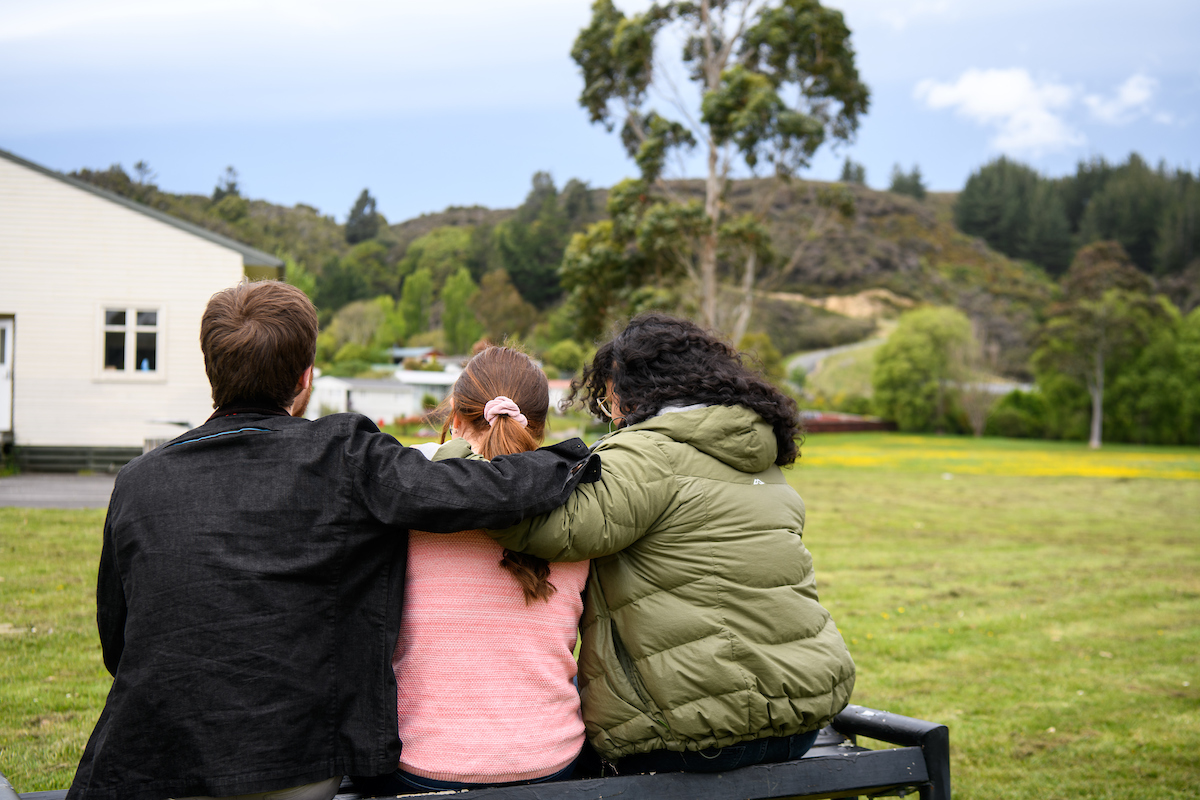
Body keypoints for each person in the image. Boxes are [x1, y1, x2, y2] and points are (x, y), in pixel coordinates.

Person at [67, 281, 598, 800]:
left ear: (210, 368)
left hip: (155, 758)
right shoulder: (343, 454)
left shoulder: (136, 481)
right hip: (297, 761)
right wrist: (569, 461)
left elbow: (118, 641)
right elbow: (469, 489)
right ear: (306, 377)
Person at [488, 313, 856, 774]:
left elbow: (553, 528)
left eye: (607, 402)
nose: (611, 417)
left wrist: (465, 466)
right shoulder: (759, 457)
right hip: (801, 717)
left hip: (697, 731)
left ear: (628, 390)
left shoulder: (648, 453)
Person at [354, 346, 588, 796]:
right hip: (550, 761)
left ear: (457, 420)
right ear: (538, 428)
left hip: (423, 763)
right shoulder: (581, 510)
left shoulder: (407, 502)